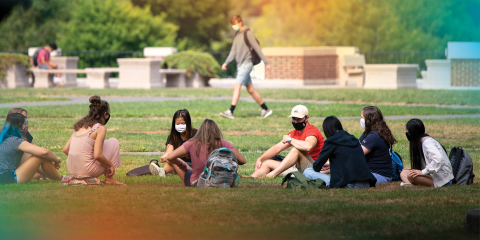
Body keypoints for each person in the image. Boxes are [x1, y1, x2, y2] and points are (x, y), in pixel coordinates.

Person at [220, 15, 273, 119]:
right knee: (250, 89)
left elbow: (257, 48)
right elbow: (233, 51)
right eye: (232, 25)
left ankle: (230, 111)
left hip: (247, 63)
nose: (233, 26)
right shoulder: (237, 34)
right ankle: (265, 109)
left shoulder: (247, 33)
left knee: (237, 86)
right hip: (240, 65)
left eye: (235, 24)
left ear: (240, 22)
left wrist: (266, 63)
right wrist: (226, 62)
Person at [250, 105, 326, 178]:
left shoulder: (312, 131)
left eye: (299, 119)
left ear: (307, 118)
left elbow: (308, 146)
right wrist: (260, 158)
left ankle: (272, 175)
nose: (296, 122)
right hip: (297, 167)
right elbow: (277, 148)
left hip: (313, 169)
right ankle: (249, 179)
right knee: (267, 163)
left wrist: (290, 140)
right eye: (294, 119)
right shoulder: (294, 133)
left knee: (296, 150)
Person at [63, 96, 124, 185]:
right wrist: (110, 164)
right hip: (87, 170)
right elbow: (97, 155)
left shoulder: (80, 125)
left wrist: (79, 160)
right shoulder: (100, 128)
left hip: (71, 169)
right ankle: (109, 178)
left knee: (106, 143)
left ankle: (83, 169)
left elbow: (65, 149)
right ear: (105, 114)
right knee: (113, 142)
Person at [165, 119, 246, 187]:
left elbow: (169, 157)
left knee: (182, 163)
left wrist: (180, 164)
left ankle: (188, 169)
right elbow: (243, 161)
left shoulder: (191, 143)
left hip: (197, 183)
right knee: (189, 165)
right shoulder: (223, 143)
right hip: (219, 181)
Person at [303, 116, 376, 189]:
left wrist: (322, 166)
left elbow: (316, 167)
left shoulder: (331, 142)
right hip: (366, 182)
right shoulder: (353, 139)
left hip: (349, 184)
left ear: (326, 130)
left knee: (307, 171)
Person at [0, 113, 62, 184]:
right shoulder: (15, 140)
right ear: (19, 126)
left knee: (32, 155)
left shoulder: (3, 138)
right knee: (40, 156)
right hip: (7, 178)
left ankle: (51, 176)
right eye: (25, 123)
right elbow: (44, 152)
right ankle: (61, 178)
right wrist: (57, 160)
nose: (26, 126)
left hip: (3, 177)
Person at [400, 119, 454, 187]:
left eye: (408, 132)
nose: (407, 134)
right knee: (404, 173)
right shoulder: (420, 143)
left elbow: (438, 160)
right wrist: (413, 169)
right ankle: (413, 185)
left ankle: (413, 184)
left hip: (441, 180)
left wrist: (422, 172)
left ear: (413, 133)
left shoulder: (428, 143)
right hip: (431, 175)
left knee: (410, 176)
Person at [149, 109, 197, 176]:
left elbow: (189, 152)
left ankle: (164, 171)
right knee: (171, 160)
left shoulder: (195, 135)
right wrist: (166, 156)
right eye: (178, 124)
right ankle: (162, 172)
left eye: (183, 123)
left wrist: (172, 156)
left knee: (173, 159)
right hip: (178, 164)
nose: (180, 125)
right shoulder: (173, 136)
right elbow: (169, 151)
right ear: (174, 124)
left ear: (188, 123)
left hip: (193, 165)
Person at [359, 106, 396, 183]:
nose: (361, 120)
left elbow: (357, 153)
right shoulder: (372, 132)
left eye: (362, 117)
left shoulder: (374, 136)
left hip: (379, 175)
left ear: (369, 120)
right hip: (373, 172)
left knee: (347, 176)